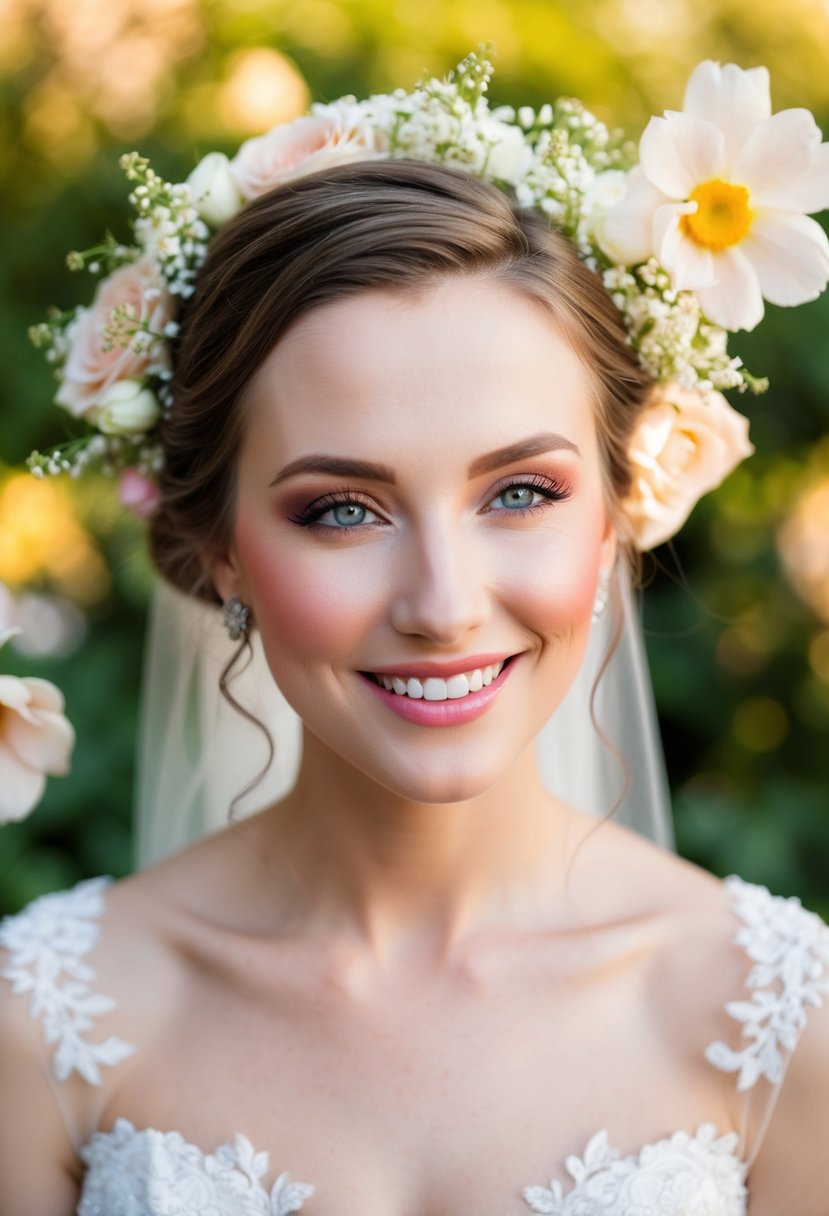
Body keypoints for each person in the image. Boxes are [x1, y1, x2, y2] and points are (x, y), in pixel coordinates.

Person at [2, 54, 829, 1216]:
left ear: (614, 511)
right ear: (221, 548)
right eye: (342, 509)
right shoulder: (42, 1024)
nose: (441, 602)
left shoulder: (779, 1024)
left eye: (521, 493)